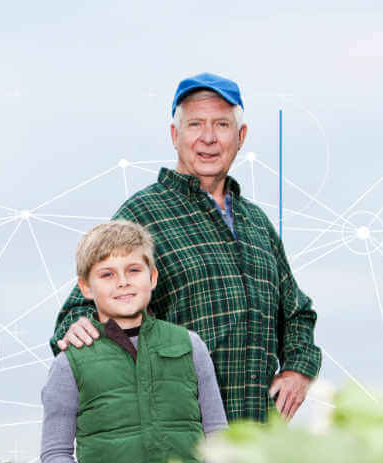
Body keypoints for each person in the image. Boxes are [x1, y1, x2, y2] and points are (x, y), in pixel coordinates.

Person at [51, 72, 321, 423]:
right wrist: (76, 329)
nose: (208, 138)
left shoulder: (257, 224)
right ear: (175, 135)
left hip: (257, 442)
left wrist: (299, 369)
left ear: (240, 137)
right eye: (195, 124)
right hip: (180, 441)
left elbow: (297, 312)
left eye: (222, 124)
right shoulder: (141, 216)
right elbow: (77, 313)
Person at [40, 220, 228, 463]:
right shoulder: (70, 362)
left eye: (133, 270)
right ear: (85, 287)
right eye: (107, 274)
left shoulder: (190, 346)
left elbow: (217, 432)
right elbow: (55, 453)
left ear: (152, 277)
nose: (123, 282)